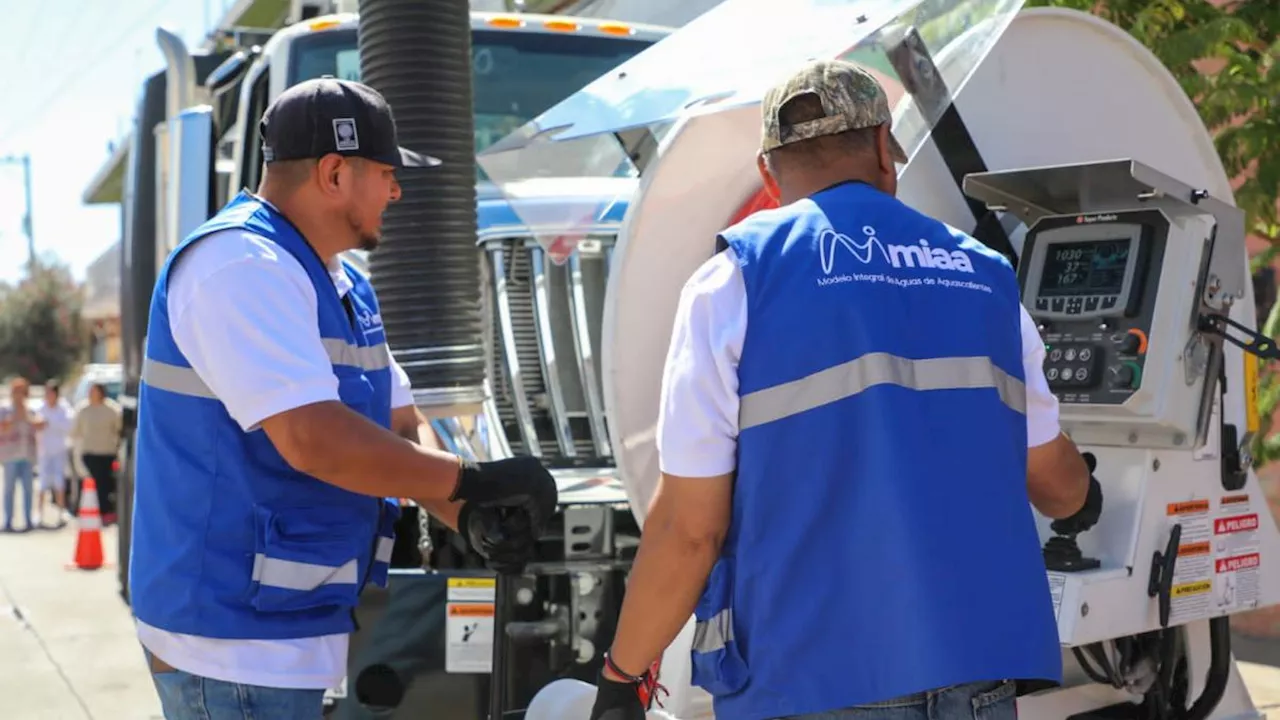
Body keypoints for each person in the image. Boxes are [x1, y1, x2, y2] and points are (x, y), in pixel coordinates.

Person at [588, 60, 1103, 720]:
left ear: (768, 174)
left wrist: (622, 672)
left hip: (811, 678)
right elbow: (1056, 483)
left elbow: (689, 531)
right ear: (887, 153)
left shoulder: (734, 283)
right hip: (977, 676)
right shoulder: (987, 277)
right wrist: (1086, 498)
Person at [129, 77, 557, 720]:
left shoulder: (340, 282)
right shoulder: (239, 265)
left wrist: (466, 514)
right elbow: (314, 439)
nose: (396, 190)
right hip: (229, 646)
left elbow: (398, 425)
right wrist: (472, 481)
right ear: (333, 172)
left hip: (290, 630)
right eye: (385, 172)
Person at [71, 382, 122, 522]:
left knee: (104, 483)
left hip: (106, 452)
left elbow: (118, 429)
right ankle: (87, 510)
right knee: (91, 482)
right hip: (89, 451)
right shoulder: (83, 409)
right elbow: (76, 431)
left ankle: (105, 511)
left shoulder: (112, 409)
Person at [0, 377, 42, 532]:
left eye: (22, 392)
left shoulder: (30, 410)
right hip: (10, 454)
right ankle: (8, 521)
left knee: (28, 490)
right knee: (9, 490)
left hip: (27, 455)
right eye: (16, 392)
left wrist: (26, 416)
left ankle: (28, 520)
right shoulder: (4, 409)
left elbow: (40, 425)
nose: (19, 395)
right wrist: (14, 418)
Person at [36, 380, 74, 527]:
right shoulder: (41, 407)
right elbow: (35, 423)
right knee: (43, 482)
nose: (49, 396)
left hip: (59, 450)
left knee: (59, 482)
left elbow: (68, 426)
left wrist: (50, 423)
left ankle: (61, 511)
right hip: (44, 450)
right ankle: (39, 513)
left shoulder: (64, 408)